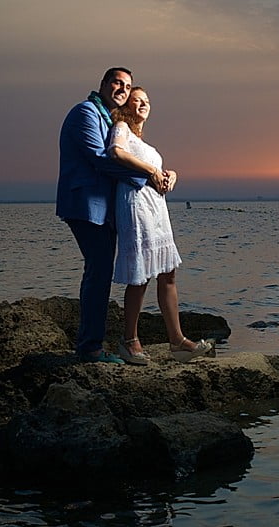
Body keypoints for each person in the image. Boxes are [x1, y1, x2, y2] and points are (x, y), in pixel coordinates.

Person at [56, 67, 166, 364]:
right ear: (103, 84)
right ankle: (90, 348)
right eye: (117, 82)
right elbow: (100, 158)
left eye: (127, 86)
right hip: (85, 205)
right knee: (99, 271)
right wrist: (148, 177)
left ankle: (92, 344)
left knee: (100, 272)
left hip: (105, 209)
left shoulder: (111, 119)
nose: (122, 88)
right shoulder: (86, 113)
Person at [107, 87, 213, 364]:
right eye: (136, 100)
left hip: (157, 208)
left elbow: (150, 168)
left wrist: (170, 174)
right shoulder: (121, 128)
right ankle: (129, 340)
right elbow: (115, 153)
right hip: (136, 205)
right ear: (126, 106)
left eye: (146, 101)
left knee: (168, 272)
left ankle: (177, 341)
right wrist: (152, 171)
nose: (142, 104)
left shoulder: (143, 142)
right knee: (140, 274)